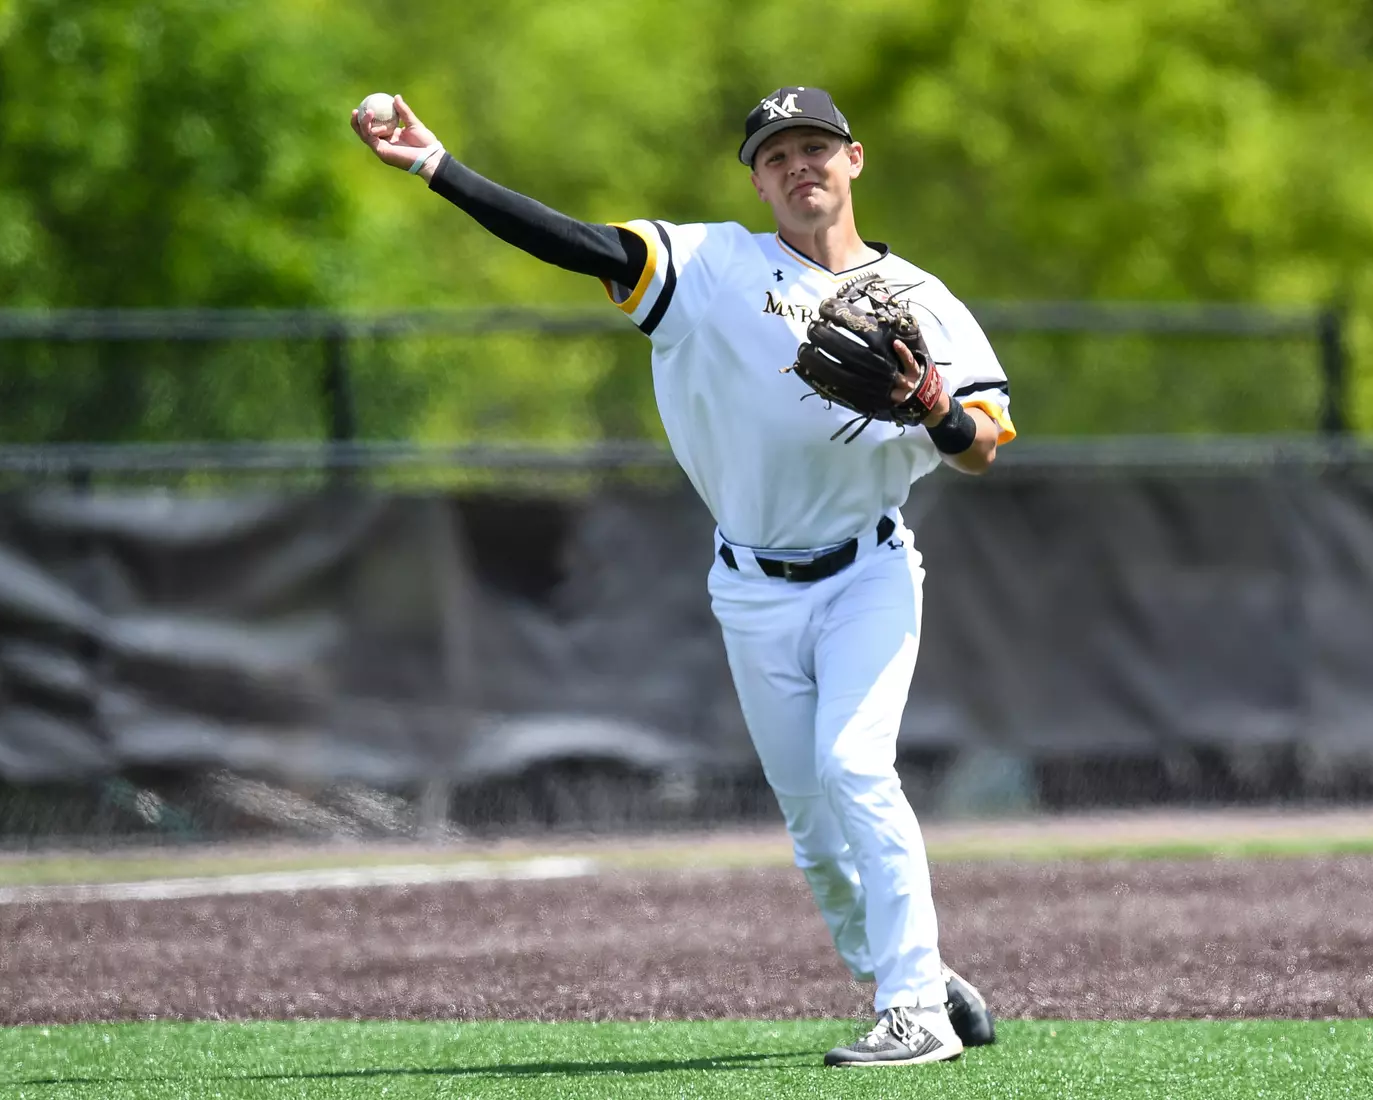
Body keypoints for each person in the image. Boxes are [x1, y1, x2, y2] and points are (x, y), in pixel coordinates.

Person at [353, 85, 1014, 1067]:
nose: (799, 165)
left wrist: (934, 410)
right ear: (755, 177)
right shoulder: (711, 266)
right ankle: (902, 971)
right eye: (776, 153)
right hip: (750, 587)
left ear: (855, 160)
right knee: (810, 829)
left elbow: (984, 444)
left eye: (815, 147)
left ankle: (913, 1008)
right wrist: (440, 170)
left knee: (854, 767)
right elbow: (575, 244)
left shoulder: (926, 301)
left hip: (869, 572)